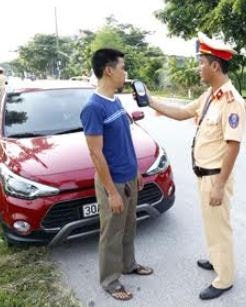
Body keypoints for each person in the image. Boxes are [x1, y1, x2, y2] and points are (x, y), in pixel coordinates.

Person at [139, 32, 246, 300]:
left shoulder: (232, 101)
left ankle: (225, 278)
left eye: (201, 63)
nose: (198, 68)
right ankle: (216, 260)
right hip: (204, 175)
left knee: (219, 227)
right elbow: (181, 113)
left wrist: (220, 185)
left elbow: (233, 146)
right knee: (211, 225)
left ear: (214, 66)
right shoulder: (210, 96)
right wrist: (150, 101)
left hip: (215, 177)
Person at [80, 48, 153, 301]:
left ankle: (128, 264)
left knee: (129, 226)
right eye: (123, 68)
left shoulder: (116, 101)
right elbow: (96, 154)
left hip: (129, 176)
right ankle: (110, 280)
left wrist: (136, 171)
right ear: (109, 71)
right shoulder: (93, 108)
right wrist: (111, 192)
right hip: (112, 182)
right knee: (111, 232)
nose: (126, 73)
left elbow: (125, 140)